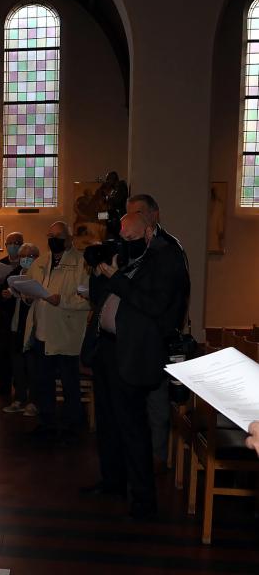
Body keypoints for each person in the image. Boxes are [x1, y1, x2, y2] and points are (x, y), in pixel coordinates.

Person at [82, 213, 188, 518]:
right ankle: (113, 482)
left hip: (133, 354)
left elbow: (154, 306)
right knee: (108, 423)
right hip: (108, 349)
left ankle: (143, 499)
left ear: (149, 231)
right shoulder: (127, 258)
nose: (125, 242)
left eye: (131, 237)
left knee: (132, 428)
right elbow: (102, 298)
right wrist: (100, 268)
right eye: (122, 237)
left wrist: (116, 277)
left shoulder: (166, 260)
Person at [126, 193, 191, 467]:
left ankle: (157, 456)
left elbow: (168, 299)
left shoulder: (167, 248)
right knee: (137, 403)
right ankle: (138, 454)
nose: (134, 219)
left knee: (157, 402)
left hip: (159, 336)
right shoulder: (137, 247)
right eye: (129, 214)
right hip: (137, 339)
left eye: (139, 213)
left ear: (154, 215)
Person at [22, 221, 89, 439]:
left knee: (70, 382)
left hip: (67, 333)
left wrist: (61, 300)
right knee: (44, 382)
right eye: (50, 235)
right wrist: (26, 294)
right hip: (43, 332)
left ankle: (73, 426)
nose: (53, 239)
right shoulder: (41, 262)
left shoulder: (81, 263)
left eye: (58, 235)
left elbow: (88, 300)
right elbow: (29, 287)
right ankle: (47, 423)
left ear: (69, 238)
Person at [2, 243, 40, 416]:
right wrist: (10, 293)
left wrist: (26, 296)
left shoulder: (40, 274)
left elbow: (39, 297)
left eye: (29, 256)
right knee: (17, 363)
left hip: (33, 325)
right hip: (17, 324)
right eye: (23, 256)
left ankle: (33, 401)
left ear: (36, 257)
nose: (25, 259)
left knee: (32, 365)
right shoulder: (18, 273)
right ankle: (19, 398)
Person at [0, 231, 24, 397]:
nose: (13, 246)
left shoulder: (27, 264)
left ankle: (21, 387)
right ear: (6, 245)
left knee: (19, 351)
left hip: (20, 313)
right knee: (3, 351)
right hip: (2, 314)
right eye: (10, 243)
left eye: (17, 243)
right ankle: (3, 387)